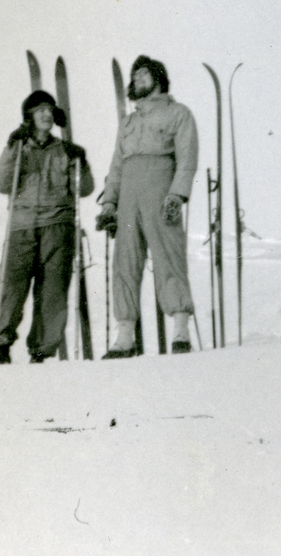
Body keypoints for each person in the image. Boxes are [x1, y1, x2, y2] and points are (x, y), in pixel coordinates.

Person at [96, 56, 199, 357]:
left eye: (145, 74)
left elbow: (187, 158)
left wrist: (177, 195)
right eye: (135, 75)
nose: (138, 79)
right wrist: (109, 204)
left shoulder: (178, 113)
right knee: (125, 262)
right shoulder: (129, 122)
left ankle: (180, 330)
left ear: (159, 78)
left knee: (169, 257)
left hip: (159, 186)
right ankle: (125, 336)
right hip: (128, 191)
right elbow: (116, 166)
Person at [0, 90, 94, 364]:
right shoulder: (19, 147)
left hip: (57, 225)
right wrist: (12, 149)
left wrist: (82, 163)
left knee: (53, 291)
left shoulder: (64, 151)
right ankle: (1, 345)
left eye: (50, 109)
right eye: (40, 110)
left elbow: (86, 189)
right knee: (12, 287)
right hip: (22, 226)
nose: (46, 114)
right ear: (29, 116)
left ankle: (41, 351)